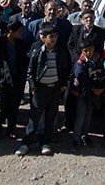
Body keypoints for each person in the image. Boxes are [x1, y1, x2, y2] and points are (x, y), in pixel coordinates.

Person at [15, 23, 71, 157]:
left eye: (55, 36)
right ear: (43, 38)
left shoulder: (60, 51)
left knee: (50, 118)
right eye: (51, 36)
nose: (54, 39)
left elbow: (65, 68)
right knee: (34, 118)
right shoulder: (37, 50)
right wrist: (33, 86)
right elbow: (30, 71)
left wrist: (63, 84)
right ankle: (26, 143)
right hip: (40, 90)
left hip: (55, 89)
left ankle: (45, 143)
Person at [0, 20, 25, 140]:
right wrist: (0, 74)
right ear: (11, 31)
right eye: (19, 31)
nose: (21, 33)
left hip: (17, 78)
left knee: (14, 105)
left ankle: (11, 128)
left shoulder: (20, 43)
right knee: (2, 106)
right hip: (5, 79)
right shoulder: (0, 42)